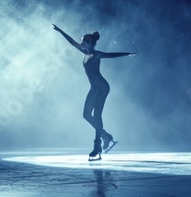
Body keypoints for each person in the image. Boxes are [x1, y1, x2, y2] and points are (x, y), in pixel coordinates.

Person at [52, 24, 137, 160]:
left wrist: (126, 54)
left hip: (102, 87)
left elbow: (111, 55)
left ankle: (97, 145)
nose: (81, 43)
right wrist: (60, 31)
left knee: (97, 115)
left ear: (90, 43)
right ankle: (105, 135)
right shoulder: (85, 52)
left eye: (83, 41)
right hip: (94, 88)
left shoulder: (96, 55)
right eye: (81, 41)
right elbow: (72, 42)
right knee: (86, 114)